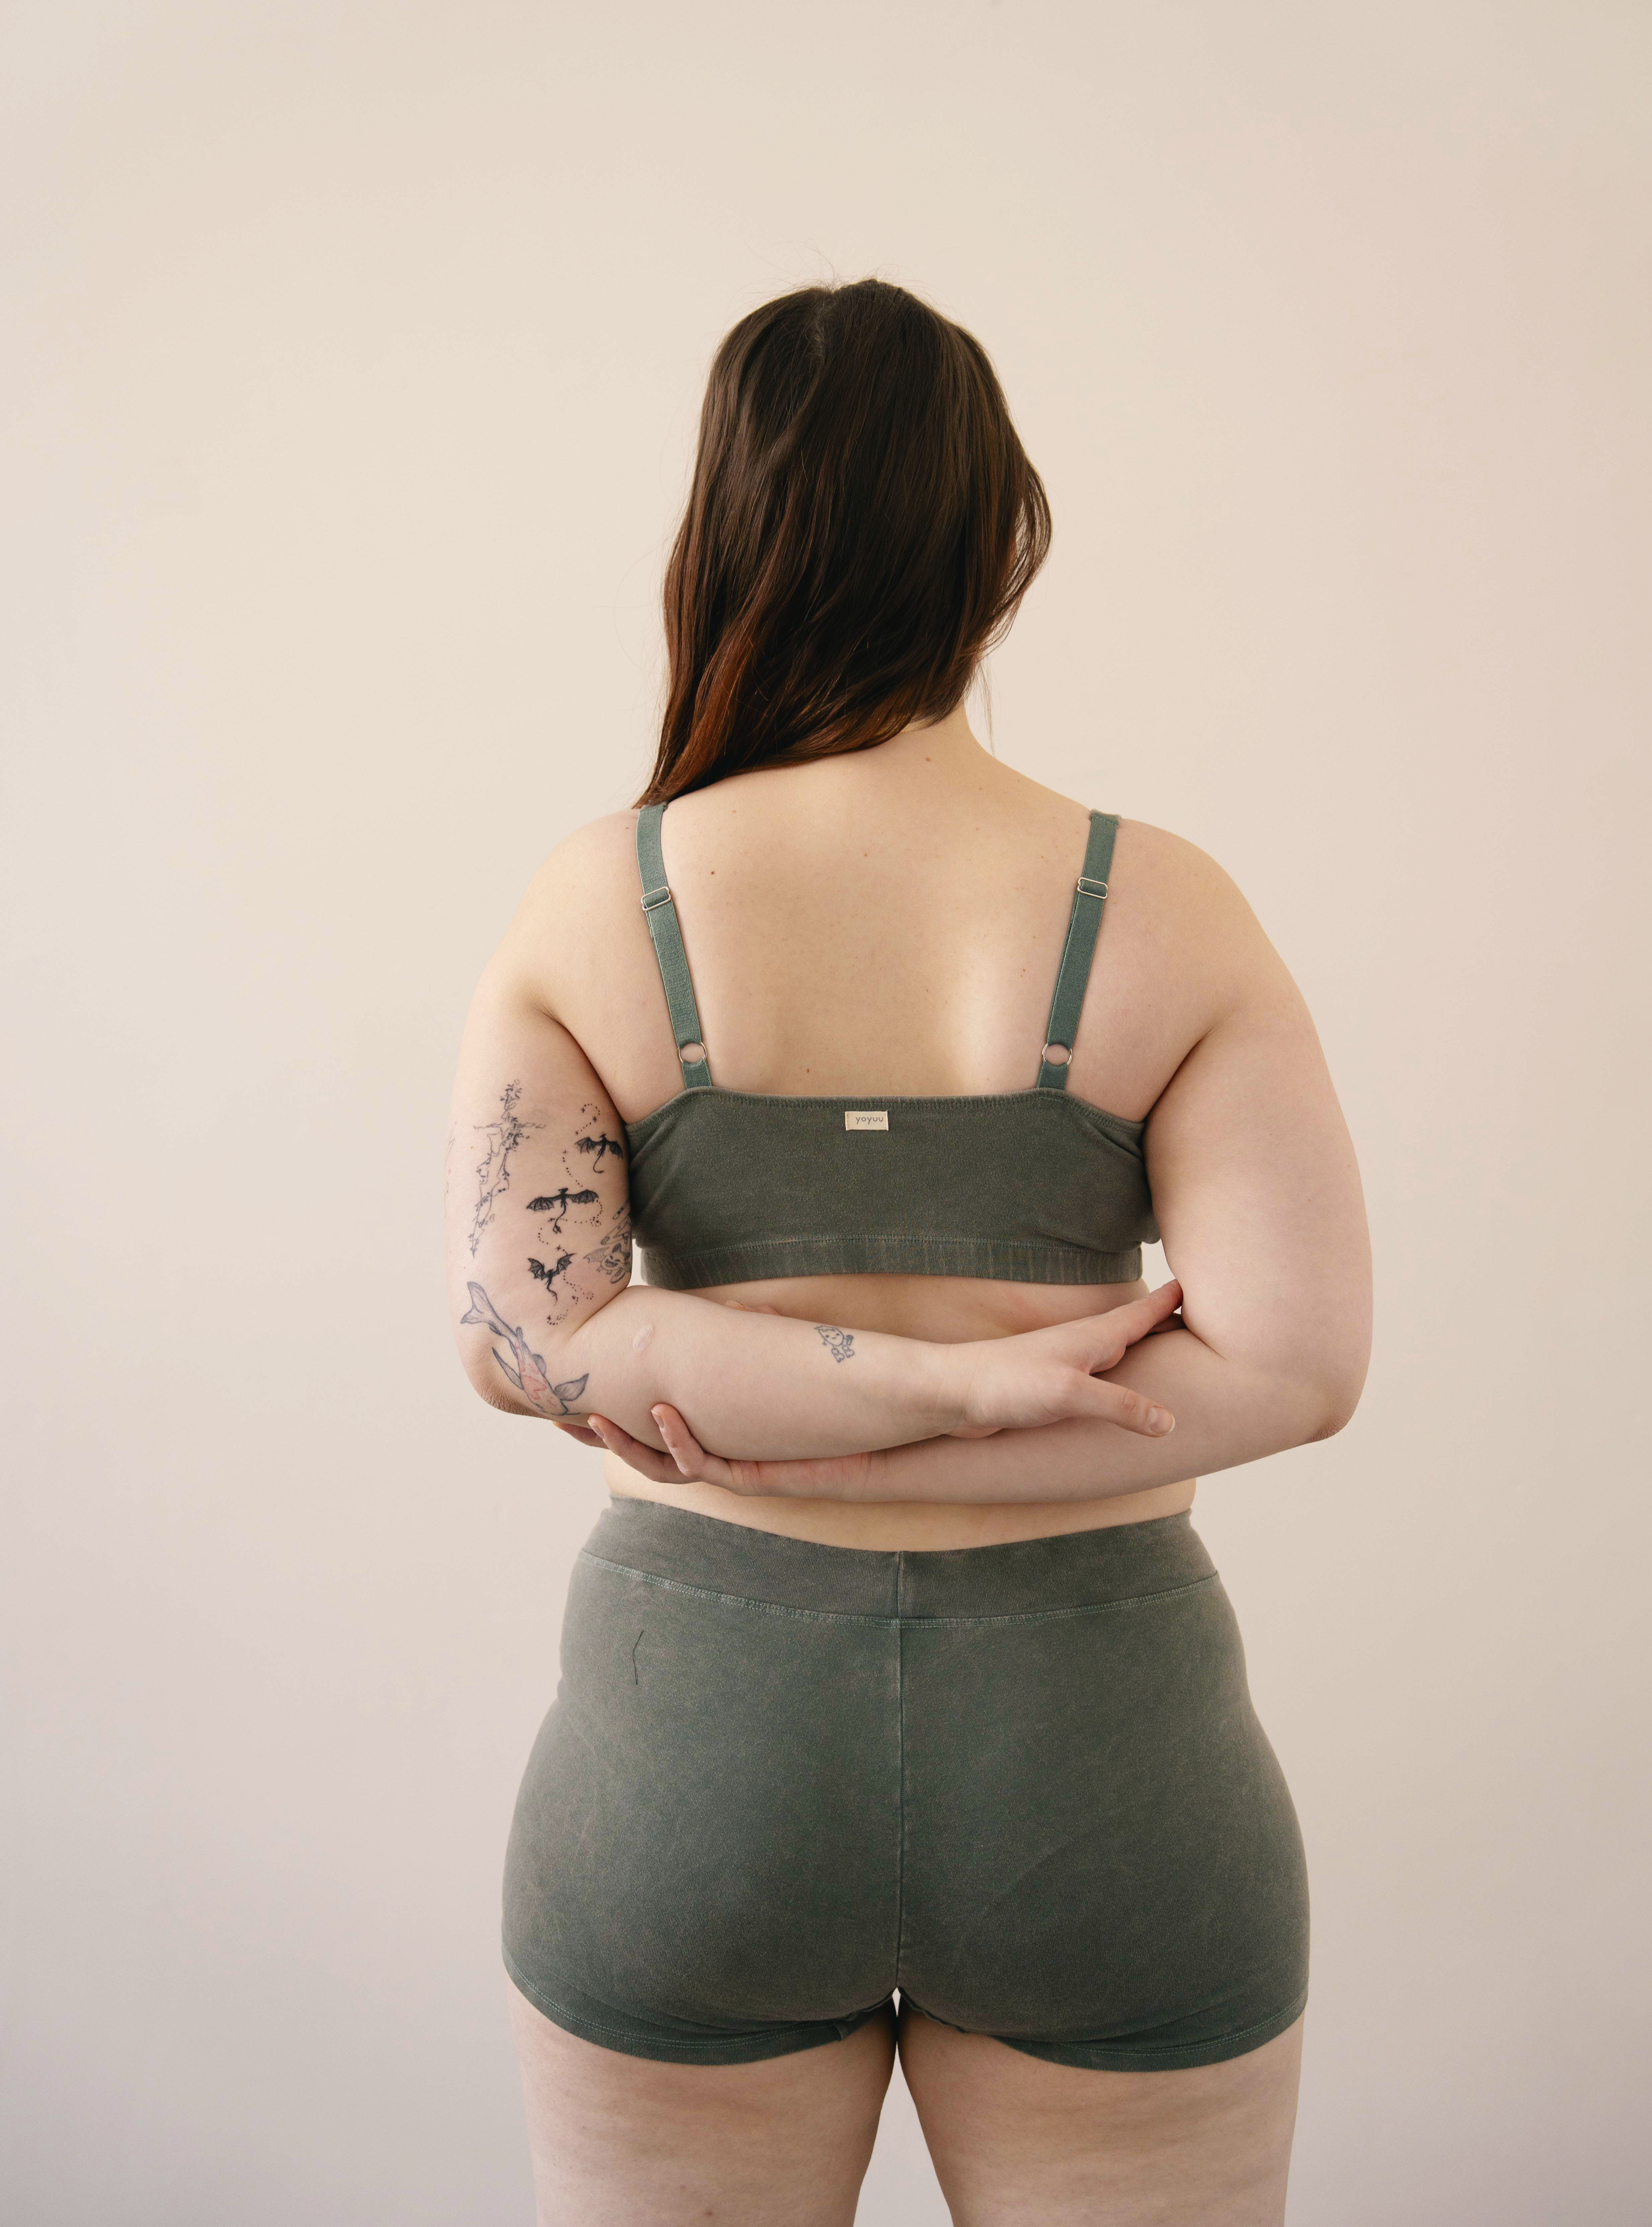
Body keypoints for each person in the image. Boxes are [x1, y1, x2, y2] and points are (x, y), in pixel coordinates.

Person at [445, 279, 1372, 2227]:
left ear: (716, 537)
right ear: (998, 542)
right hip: (1102, 1752)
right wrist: (961, 1399)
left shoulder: (597, 899)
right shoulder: (1166, 906)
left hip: (693, 1744)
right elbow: (1296, 1369)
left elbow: (527, 1342)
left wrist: (799, 1447)